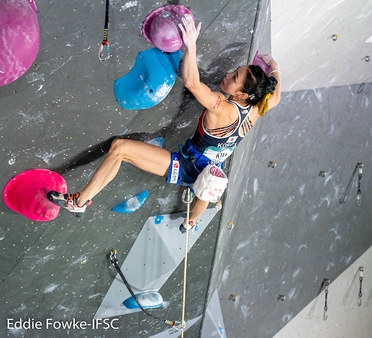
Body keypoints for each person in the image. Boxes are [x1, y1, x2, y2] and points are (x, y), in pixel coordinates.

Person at [48, 14, 281, 232]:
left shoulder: (222, 106)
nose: (228, 75)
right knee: (202, 192)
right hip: (212, 169)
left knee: (120, 148)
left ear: (242, 95)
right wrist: (275, 70)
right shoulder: (257, 108)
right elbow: (276, 95)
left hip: (187, 164)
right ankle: (191, 222)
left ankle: (78, 202)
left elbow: (192, 82)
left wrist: (191, 45)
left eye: (234, 78)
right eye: (234, 71)